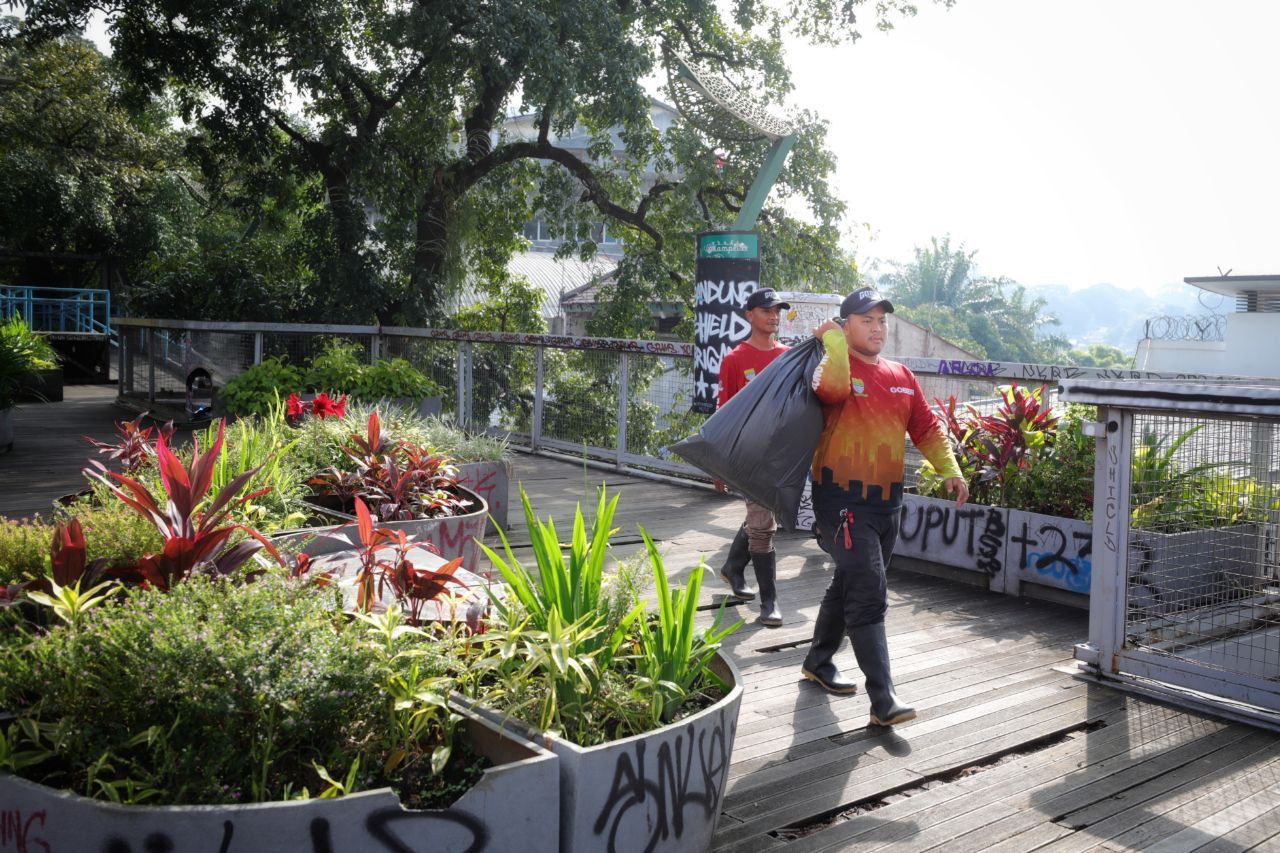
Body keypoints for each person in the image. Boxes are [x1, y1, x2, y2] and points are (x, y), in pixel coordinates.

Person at [800, 286, 969, 726]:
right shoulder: (830, 367)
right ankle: (883, 699)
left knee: (850, 582)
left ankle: (818, 663)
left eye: (881, 321)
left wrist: (950, 469)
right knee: (869, 592)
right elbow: (832, 391)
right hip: (840, 500)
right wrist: (833, 342)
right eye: (865, 321)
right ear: (846, 324)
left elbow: (927, 426)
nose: (877, 329)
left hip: (886, 503)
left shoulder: (900, 374)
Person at [716, 286, 791, 626]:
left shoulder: (788, 357)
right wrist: (718, 464)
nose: (773, 315)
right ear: (749, 315)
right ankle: (769, 601)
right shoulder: (734, 360)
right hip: (748, 455)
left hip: (781, 455)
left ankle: (733, 566)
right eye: (766, 310)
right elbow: (723, 414)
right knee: (764, 523)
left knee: (763, 514)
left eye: (777, 310)